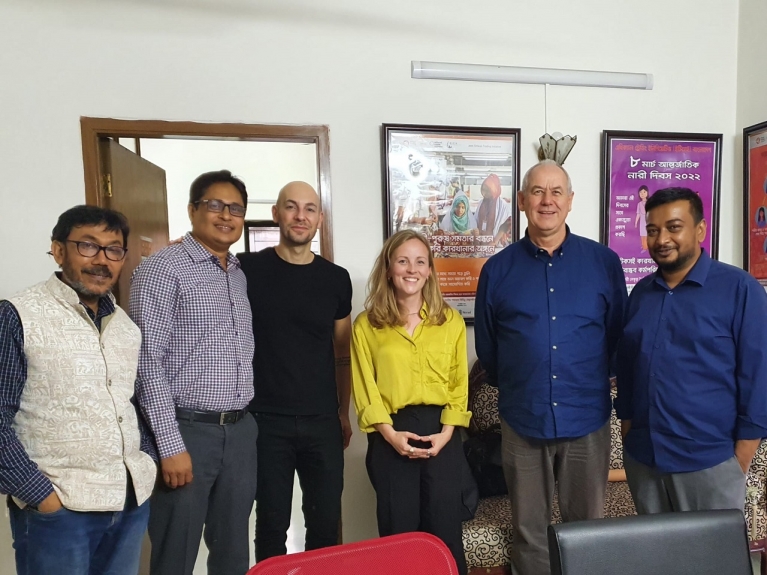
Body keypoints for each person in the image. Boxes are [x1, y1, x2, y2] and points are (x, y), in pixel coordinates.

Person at [474, 159, 627, 575]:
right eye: (538, 192)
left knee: (587, 532)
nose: (547, 201)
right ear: (522, 201)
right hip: (523, 420)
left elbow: (617, 335)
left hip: (587, 419)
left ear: (571, 201)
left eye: (556, 192)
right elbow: (489, 348)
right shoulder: (497, 270)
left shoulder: (603, 263)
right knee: (530, 533)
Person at [0, 205, 157, 574]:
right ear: (58, 250)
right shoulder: (18, 315)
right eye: (88, 246)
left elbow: (130, 402)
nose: (101, 260)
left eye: (113, 249)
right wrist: (40, 496)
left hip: (128, 503)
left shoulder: (126, 327)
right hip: (60, 511)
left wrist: (145, 462)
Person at [130, 170, 258, 575]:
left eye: (235, 208)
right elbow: (146, 361)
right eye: (215, 205)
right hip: (187, 432)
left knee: (233, 550)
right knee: (175, 554)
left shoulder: (237, 274)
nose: (226, 215)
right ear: (192, 209)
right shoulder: (163, 269)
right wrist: (169, 444)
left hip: (239, 432)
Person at [616, 187, 767, 515]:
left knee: (711, 564)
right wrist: (628, 430)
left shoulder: (740, 290)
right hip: (645, 461)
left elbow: (759, 380)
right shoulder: (641, 293)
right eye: (653, 230)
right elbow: (627, 368)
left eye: (673, 227)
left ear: (700, 230)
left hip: (710, 464)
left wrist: (738, 460)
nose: (661, 239)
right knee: (654, 563)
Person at [238, 181, 353, 561]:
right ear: (276, 214)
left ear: (320, 218)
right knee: (271, 525)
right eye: (291, 207)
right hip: (266, 421)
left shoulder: (336, 279)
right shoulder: (247, 269)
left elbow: (342, 351)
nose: (300, 216)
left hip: (322, 420)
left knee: (324, 523)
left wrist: (342, 412)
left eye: (309, 209)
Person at [351, 229, 471, 574]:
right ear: (388, 268)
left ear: (430, 270)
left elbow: (457, 384)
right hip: (390, 436)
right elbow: (365, 390)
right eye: (402, 261)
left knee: (445, 534)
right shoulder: (367, 325)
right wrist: (391, 436)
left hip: (441, 434)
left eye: (420, 261)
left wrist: (447, 434)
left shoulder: (449, 322)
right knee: (398, 536)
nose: (411, 269)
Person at [475, 173, 512, 246]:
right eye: (483, 190)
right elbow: (476, 221)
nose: (485, 193)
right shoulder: (481, 203)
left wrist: (495, 241)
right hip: (481, 242)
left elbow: (506, 224)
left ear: (494, 189)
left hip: (495, 243)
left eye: (488, 190)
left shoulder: (503, 205)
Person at [635, 185, 649, 251]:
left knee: (647, 234)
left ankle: (646, 246)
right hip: (642, 221)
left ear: (647, 193)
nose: (642, 194)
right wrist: (636, 222)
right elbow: (638, 214)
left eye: (644, 192)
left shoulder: (649, 203)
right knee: (642, 234)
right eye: (641, 192)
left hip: (648, 220)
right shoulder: (639, 204)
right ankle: (644, 246)